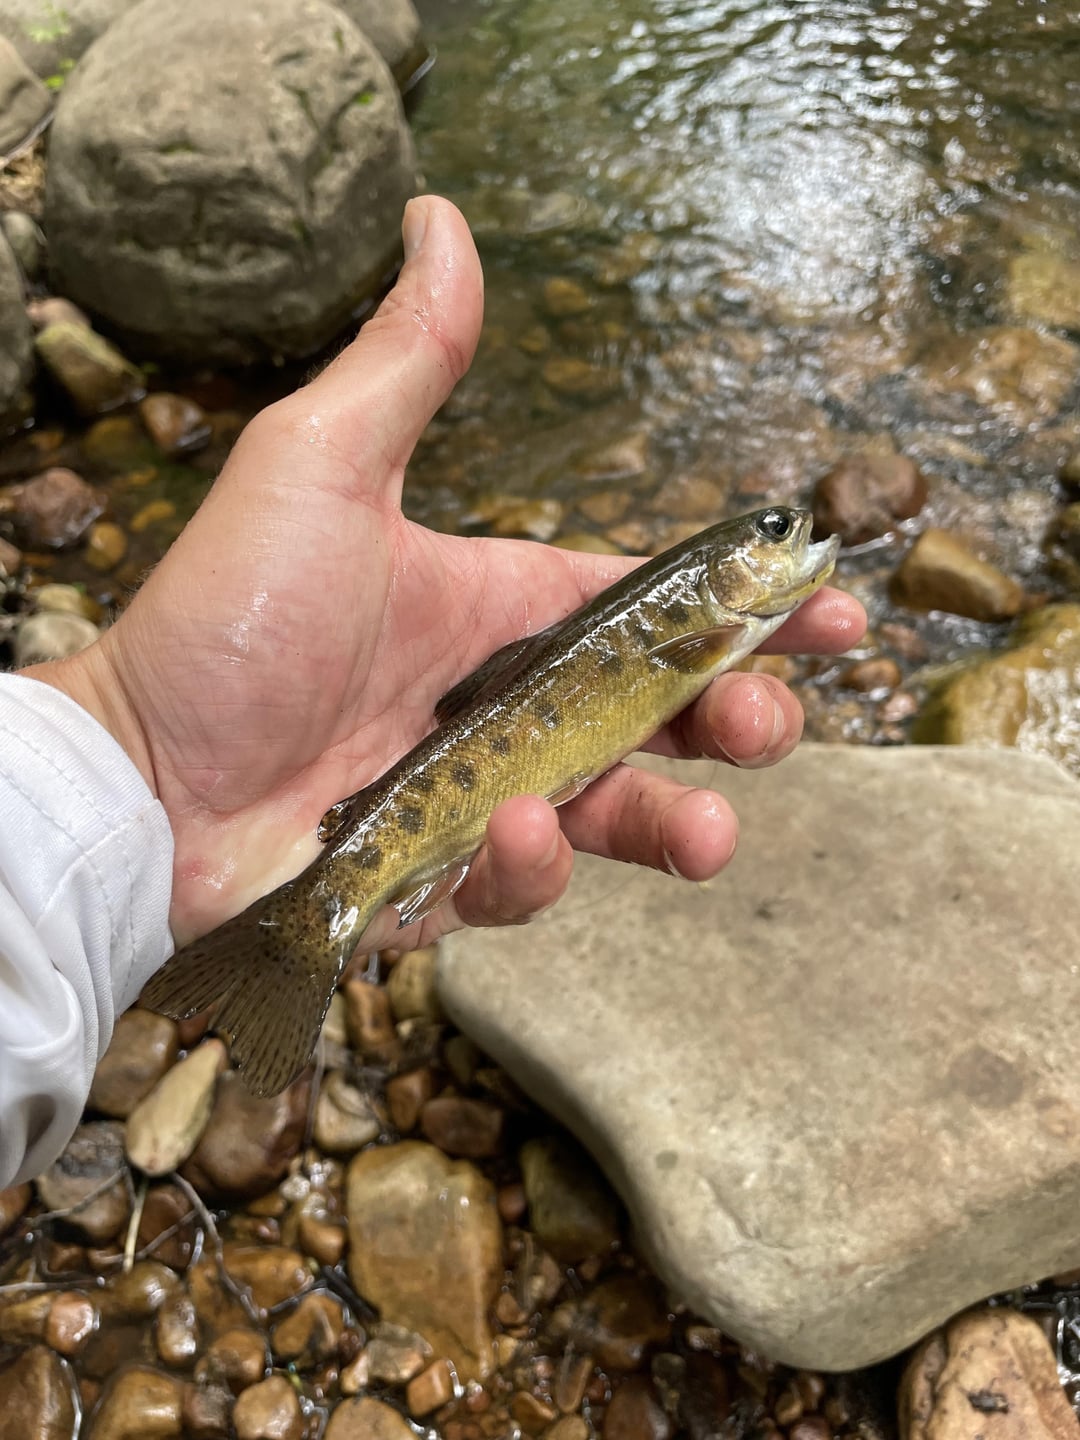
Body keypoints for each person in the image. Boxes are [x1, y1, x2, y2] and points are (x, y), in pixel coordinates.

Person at [0, 197, 865, 1188]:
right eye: (769, 536)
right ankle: (304, 927)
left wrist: (120, 748)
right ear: (718, 582)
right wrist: (129, 737)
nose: (787, 538)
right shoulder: (706, 624)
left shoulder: (709, 621)